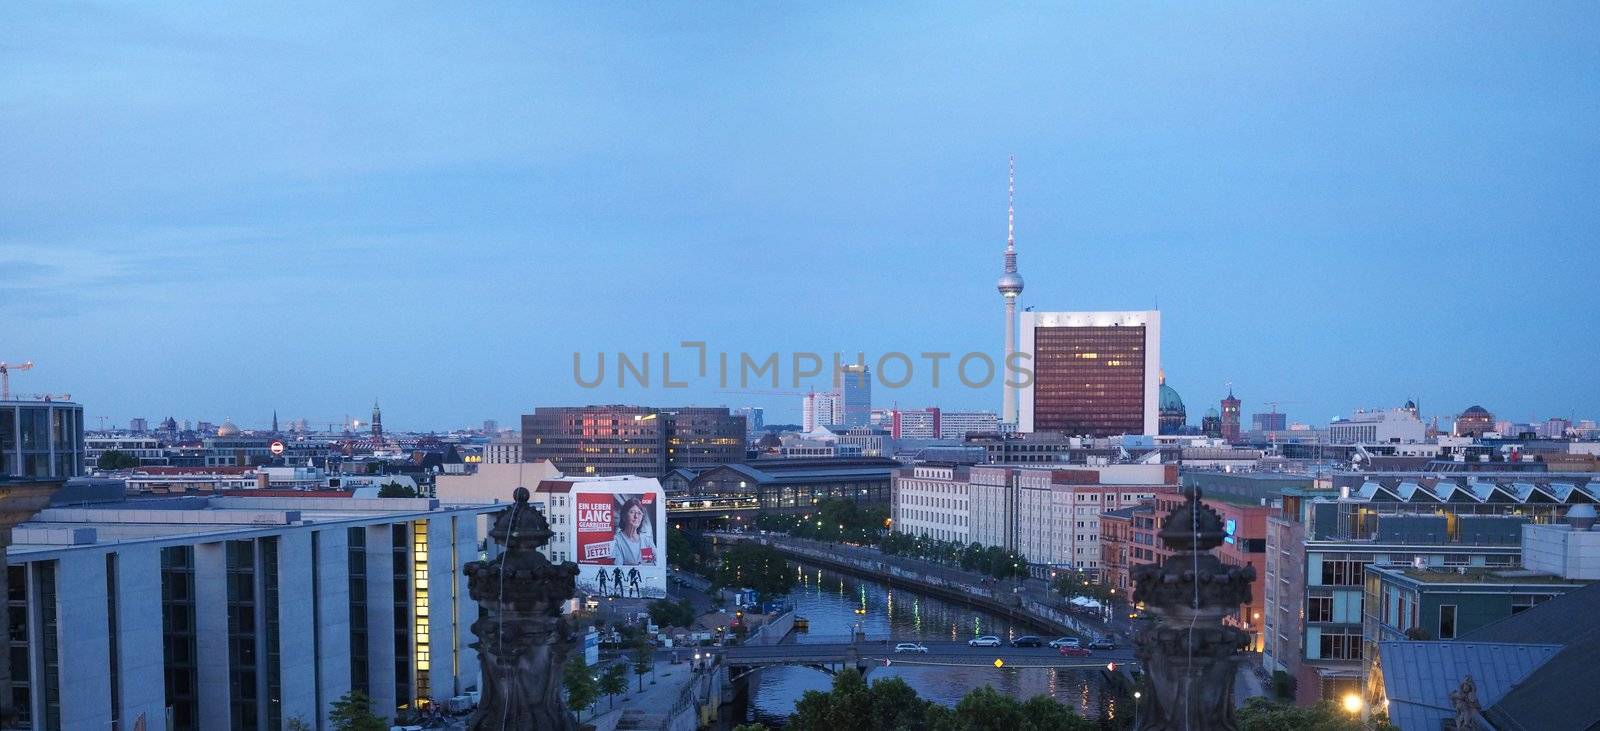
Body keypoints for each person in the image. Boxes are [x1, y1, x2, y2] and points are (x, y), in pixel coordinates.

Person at [611, 497, 655, 565]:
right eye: (632, 512)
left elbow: (655, 563)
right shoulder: (616, 540)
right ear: (624, 516)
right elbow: (619, 568)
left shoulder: (646, 540)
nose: (636, 516)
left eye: (639, 513)